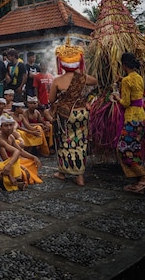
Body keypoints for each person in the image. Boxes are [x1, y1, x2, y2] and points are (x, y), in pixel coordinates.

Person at [49, 39, 98, 186]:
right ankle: (79, 176)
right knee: (80, 143)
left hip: (65, 116)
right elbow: (96, 81)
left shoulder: (57, 80)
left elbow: (51, 100)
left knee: (65, 142)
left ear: (62, 63)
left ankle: (62, 172)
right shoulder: (83, 78)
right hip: (82, 114)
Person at [112, 52, 145, 193]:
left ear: (124, 65)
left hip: (132, 118)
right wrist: (122, 80)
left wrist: (116, 97)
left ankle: (143, 178)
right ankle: (140, 178)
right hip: (142, 116)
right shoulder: (139, 77)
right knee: (136, 147)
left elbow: (125, 103)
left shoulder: (126, 81)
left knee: (124, 148)